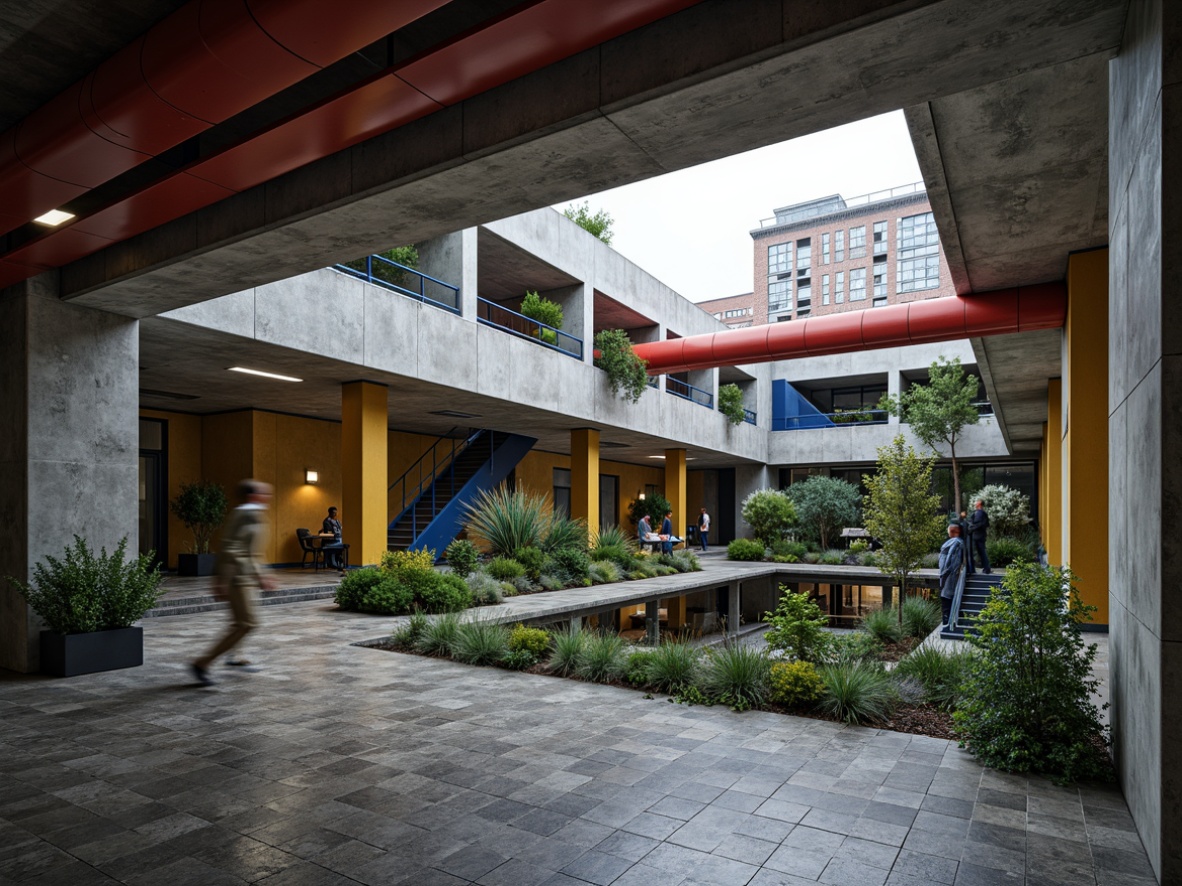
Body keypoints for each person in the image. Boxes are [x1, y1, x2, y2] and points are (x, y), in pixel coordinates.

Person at [191, 479, 274, 685]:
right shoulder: (246, 515)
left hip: (246, 577)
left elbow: (252, 551)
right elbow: (232, 549)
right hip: (238, 578)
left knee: (241, 622)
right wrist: (222, 580)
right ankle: (202, 663)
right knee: (247, 623)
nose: (268, 498)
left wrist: (263, 574)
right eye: (265, 494)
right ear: (253, 496)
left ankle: (234, 655)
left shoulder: (253, 515)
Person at [938, 523, 965, 626]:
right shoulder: (956, 542)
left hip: (949, 575)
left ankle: (947, 621)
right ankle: (950, 619)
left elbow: (950, 558)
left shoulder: (955, 542)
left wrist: (946, 571)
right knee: (948, 596)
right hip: (948, 574)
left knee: (947, 596)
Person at [967, 498, 991, 574]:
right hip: (978, 535)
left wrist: (971, 529)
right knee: (980, 552)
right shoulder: (977, 513)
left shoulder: (980, 513)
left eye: (976, 502)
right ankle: (985, 568)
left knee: (981, 551)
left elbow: (980, 524)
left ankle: (986, 568)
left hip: (978, 536)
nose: (975, 503)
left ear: (980, 503)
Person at [320, 506, 346, 571]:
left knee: (345, 544)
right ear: (329, 513)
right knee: (341, 545)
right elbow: (330, 533)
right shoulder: (326, 521)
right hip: (330, 541)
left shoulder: (337, 521)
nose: (335, 514)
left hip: (338, 539)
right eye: (333, 513)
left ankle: (341, 563)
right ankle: (333, 564)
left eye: (336, 512)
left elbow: (341, 529)